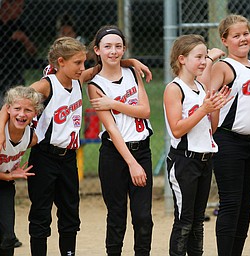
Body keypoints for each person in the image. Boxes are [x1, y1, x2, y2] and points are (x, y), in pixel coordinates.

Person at [0, 35, 152, 256]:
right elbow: (13, 103)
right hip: (45, 157)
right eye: (78, 63)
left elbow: (105, 65)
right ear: (61, 62)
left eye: (83, 62)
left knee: (70, 215)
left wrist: (132, 62)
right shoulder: (45, 85)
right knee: (41, 215)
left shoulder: (78, 80)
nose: (83, 67)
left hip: (69, 158)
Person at [198, 14, 250, 255]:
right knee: (231, 204)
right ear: (225, 40)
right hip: (229, 141)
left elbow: (249, 101)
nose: (243, 38)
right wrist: (210, 60)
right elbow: (201, 88)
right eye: (236, 35)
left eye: (245, 33)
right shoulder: (224, 66)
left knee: (245, 206)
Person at [87, 25, 153, 255]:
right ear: (97, 50)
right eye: (107, 47)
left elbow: (145, 111)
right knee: (117, 216)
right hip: (115, 155)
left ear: (124, 49)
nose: (113, 51)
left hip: (142, 150)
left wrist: (113, 104)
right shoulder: (95, 85)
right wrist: (131, 163)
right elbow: (112, 129)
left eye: (118, 46)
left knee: (143, 217)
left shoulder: (133, 72)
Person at [163, 34, 229, 256]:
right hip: (184, 161)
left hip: (204, 159)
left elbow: (212, 129)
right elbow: (177, 129)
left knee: (198, 221)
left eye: (204, 57)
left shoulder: (200, 87)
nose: (203, 62)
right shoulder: (175, 88)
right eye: (198, 57)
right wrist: (204, 109)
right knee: (184, 220)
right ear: (182, 59)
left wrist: (216, 106)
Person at [0, 85, 43, 256]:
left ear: (35, 113)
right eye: (17, 108)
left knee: (8, 237)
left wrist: (9, 176)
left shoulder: (31, 137)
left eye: (28, 110)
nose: (22, 114)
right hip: (5, 178)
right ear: (8, 109)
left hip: (5, 185)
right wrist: (8, 175)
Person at [0, 0, 37, 105]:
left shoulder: (19, 25)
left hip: (14, 74)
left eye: (22, 7)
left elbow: (33, 52)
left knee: (15, 105)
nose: (20, 11)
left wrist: (24, 39)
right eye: (18, 7)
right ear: (6, 5)